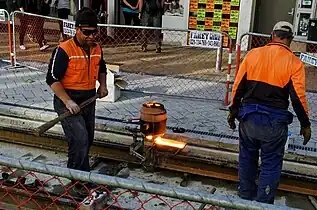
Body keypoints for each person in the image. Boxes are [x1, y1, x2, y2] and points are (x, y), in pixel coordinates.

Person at [227, 21, 311, 204]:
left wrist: (233, 112)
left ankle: (244, 199)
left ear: (272, 35)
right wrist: (305, 124)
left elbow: (238, 87)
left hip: (248, 120)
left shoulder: (253, 55)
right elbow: (298, 98)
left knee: (247, 159)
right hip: (274, 123)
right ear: (290, 40)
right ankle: (263, 205)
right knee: (270, 164)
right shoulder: (294, 63)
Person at [45, 7, 108, 174]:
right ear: (77, 29)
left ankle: (80, 171)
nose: (91, 36)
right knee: (79, 139)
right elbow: (51, 78)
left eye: (94, 32)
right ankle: (78, 180)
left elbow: (102, 67)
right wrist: (68, 101)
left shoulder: (97, 48)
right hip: (67, 100)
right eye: (87, 32)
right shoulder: (64, 50)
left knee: (88, 138)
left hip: (88, 99)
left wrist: (102, 85)